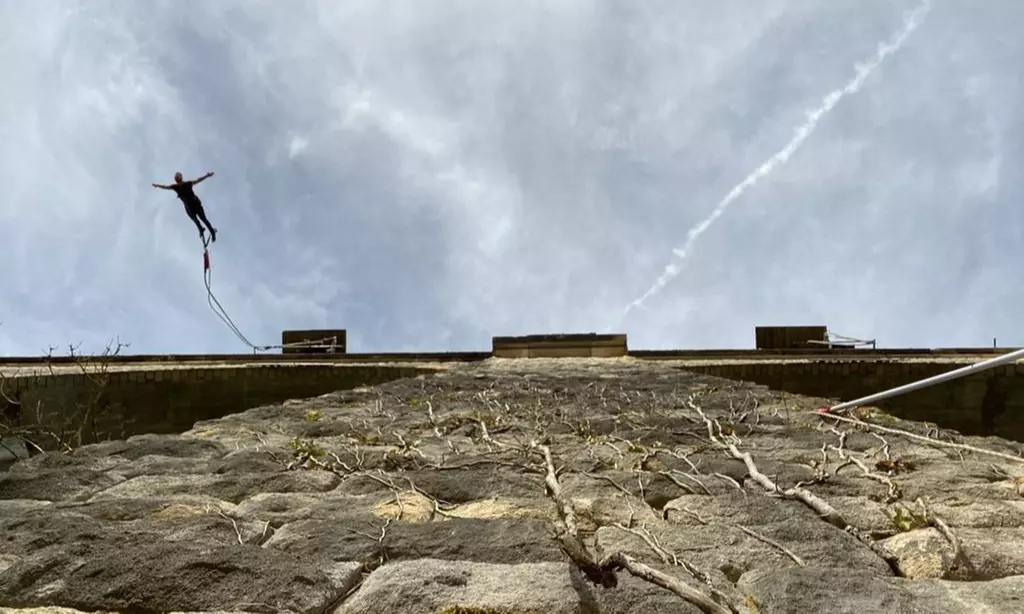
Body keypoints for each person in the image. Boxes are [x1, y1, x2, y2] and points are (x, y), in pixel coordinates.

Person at [152, 171, 218, 242]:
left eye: (178, 176)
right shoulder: (175, 187)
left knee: (203, 219)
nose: (177, 178)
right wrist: (157, 186)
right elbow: (165, 187)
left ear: (181, 177)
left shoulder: (188, 183)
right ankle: (200, 229)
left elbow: (198, 180)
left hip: (196, 204)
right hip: (189, 207)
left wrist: (206, 176)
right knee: (194, 219)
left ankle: (212, 232)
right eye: (176, 177)